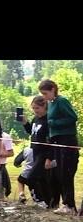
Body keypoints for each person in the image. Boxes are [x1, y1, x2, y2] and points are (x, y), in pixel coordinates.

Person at [39, 79, 79, 214]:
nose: (44, 97)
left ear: (52, 89)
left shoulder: (62, 101)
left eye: (45, 93)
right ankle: (66, 203)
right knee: (59, 173)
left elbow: (73, 117)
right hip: (56, 141)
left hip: (67, 140)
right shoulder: (51, 104)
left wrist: (54, 123)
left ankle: (70, 205)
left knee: (66, 172)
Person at [17, 95, 54, 207]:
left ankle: (39, 201)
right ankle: (48, 203)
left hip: (44, 153)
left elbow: (51, 141)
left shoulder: (48, 121)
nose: (35, 111)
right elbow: (32, 132)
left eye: (37, 108)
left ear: (44, 107)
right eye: (33, 108)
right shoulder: (35, 119)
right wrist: (25, 123)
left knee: (31, 178)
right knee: (41, 179)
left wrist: (49, 158)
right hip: (35, 152)